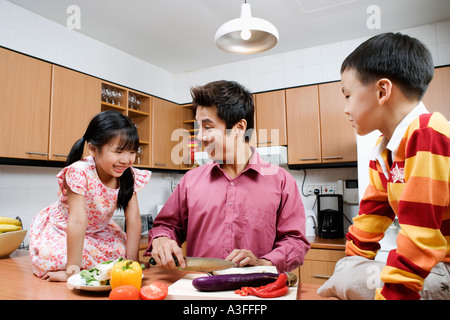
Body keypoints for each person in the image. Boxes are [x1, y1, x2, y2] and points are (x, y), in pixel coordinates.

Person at [145, 80, 310, 272]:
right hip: (199, 291)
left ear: (239, 128)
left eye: (208, 127)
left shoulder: (282, 182)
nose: (200, 137)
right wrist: (161, 239)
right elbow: (167, 225)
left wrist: (264, 263)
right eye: (199, 127)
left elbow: (295, 242)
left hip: (256, 293)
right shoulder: (190, 180)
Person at [340, 32, 450, 300]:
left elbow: (420, 240)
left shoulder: (428, 133)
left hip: (443, 266)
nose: (345, 109)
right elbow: (372, 216)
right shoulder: (384, 149)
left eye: (347, 96)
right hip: (431, 264)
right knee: (348, 279)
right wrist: (350, 266)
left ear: (382, 91)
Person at [29, 110, 151, 281]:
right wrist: (71, 272)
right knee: (54, 257)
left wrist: (132, 263)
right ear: (93, 149)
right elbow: (77, 221)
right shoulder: (79, 172)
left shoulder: (128, 175)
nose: (126, 160)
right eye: (118, 152)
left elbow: (134, 220)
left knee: (121, 255)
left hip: (99, 232)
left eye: (132, 152)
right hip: (64, 229)